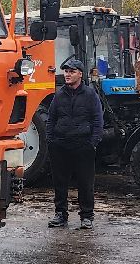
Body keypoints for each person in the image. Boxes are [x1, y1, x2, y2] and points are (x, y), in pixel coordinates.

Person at [43, 57, 103, 230]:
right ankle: (60, 214)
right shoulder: (59, 95)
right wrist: (51, 140)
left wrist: (92, 142)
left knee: (85, 182)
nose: (67, 75)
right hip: (60, 145)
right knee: (60, 182)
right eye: (66, 72)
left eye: (72, 72)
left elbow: (98, 120)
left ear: (80, 74)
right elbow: (51, 119)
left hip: (83, 145)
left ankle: (86, 216)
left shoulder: (90, 95)